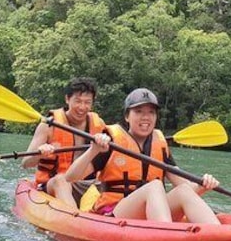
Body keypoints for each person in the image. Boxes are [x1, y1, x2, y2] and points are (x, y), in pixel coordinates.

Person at [65, 88, 220, 225]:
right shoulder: (112, 141)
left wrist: (202, 185)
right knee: (154, 186)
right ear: (127, 116)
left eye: (151, 112)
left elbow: (185, 186)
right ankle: (166, 239)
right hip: (114, 212)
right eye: (138, 111)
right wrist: (93, 150)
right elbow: (71, 177)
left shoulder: (159, 144)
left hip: (151, 213)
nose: (146, 117)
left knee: (183, 191)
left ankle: (217, 235)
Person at [21, 77, 106, 208]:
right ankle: (74, 219)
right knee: (61, 179)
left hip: (88, 184)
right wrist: (40, 154)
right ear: (67, 99)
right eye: (77, 101)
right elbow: (26, 163)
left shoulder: (99, 125)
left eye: (87, 102)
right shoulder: (48, 126)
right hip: (54, 183)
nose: (82, 107)